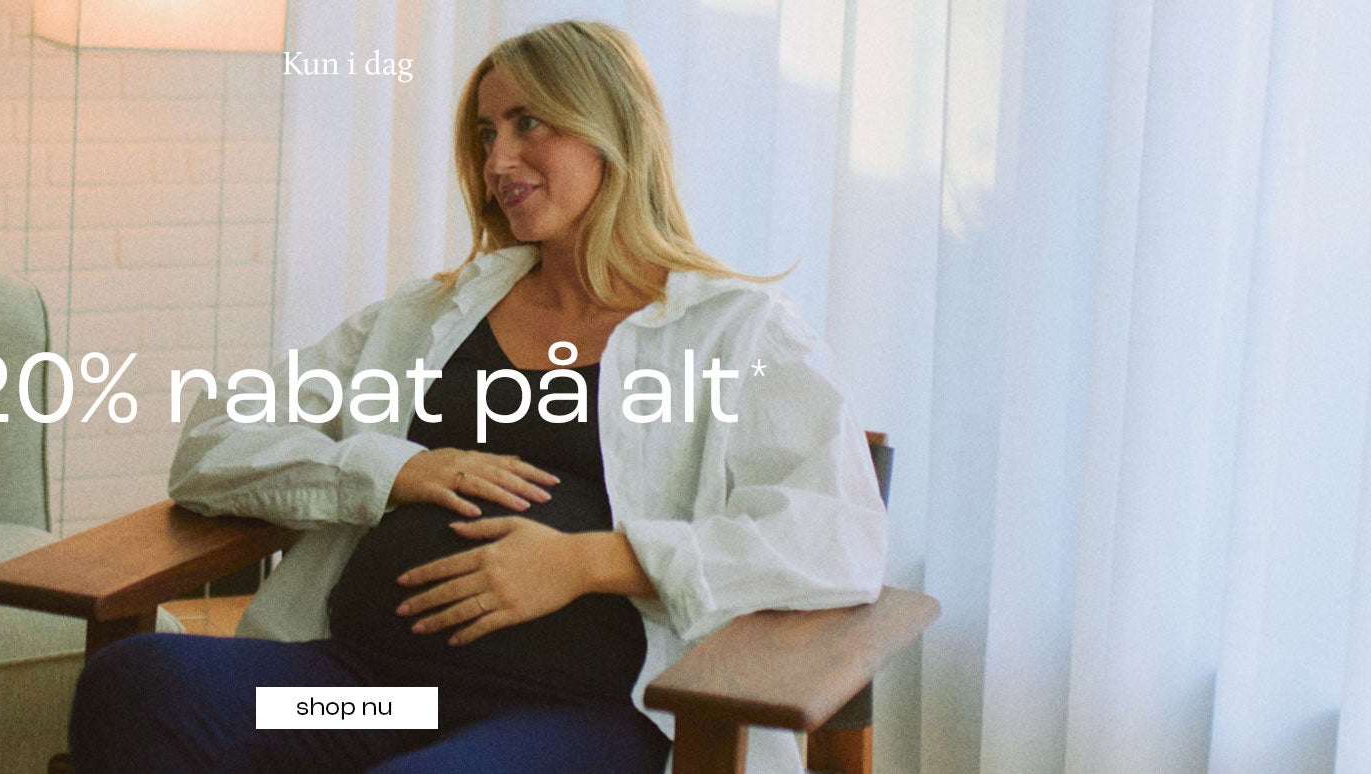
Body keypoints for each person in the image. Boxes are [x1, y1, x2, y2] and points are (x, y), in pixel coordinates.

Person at [68, 20, 886, 774]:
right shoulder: (430, 315)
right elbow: (212, 440)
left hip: (571, 715)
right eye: (488, 132)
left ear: (612, 130)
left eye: (530, 123)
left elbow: (837, 537)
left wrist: (586, 562)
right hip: (378, 701)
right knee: (139, 683)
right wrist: (392, 470)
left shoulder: (737, 332)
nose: (498, 161)